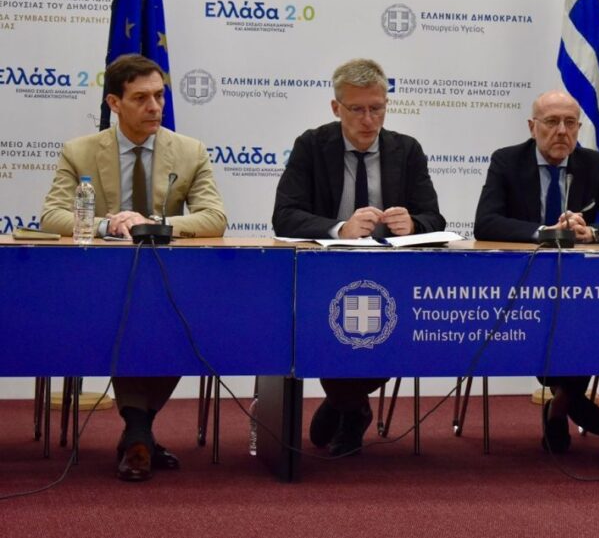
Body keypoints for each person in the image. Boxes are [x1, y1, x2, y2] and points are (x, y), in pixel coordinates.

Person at [41, 53, 227, 481]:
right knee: (126, 315)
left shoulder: (189, 151)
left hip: (166, 283)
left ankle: (137, 433)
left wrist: (154, 224)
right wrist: (107, 224)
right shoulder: (80, 152)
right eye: (141, 98)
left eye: (159, 96)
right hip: (100, 284)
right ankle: (140, 434)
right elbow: (52, 216)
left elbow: (214, 218)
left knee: (180, 320)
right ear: (114, 103)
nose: (155, 107)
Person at [272, 58, 445, 456]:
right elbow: (284, 216)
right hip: (327, 274)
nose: (369, 120)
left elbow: (435, 218)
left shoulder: (407, 149)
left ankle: (343, 403)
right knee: (327, 325)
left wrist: (413, 224)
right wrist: (340, 229)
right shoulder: (312, 145)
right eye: (357, 109)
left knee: (395, 328)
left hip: (393, 275)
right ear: (336, 108)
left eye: (377, 108)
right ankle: (353, 408)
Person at [473, 89, 599, 452]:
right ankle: (570, 401)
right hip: (523, 285)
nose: (562, 131)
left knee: (596, 318)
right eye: (551, 122)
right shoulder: (507, 161)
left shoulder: (594, 165)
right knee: (555, 325)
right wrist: (542, 233)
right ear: (532, 126)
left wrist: (591, 233)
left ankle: (562, 402)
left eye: (570, 123)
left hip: (579, 288)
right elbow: (485, 223)